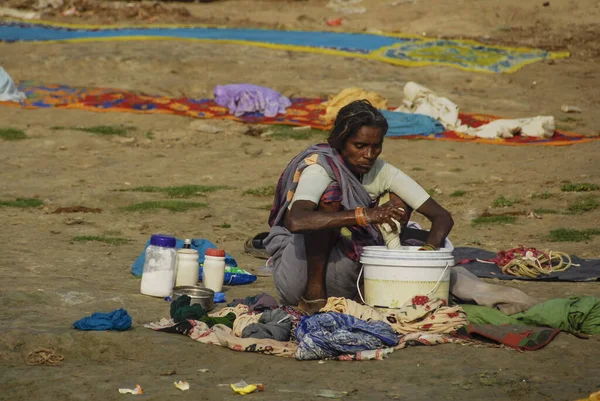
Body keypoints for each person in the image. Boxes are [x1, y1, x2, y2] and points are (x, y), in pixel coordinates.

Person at [263, 100, 454, 314]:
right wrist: (365, 215)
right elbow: (296, 220)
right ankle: (313, 296)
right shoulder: (320, 168)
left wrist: (424, 257)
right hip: (299, 276)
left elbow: (442, 217)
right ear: (341, 142)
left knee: (399, 200)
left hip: (349, 279)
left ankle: (364, 292)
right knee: (330, 198)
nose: (369, 155)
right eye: (360, 146)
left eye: (376, 146)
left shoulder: (382, 172)